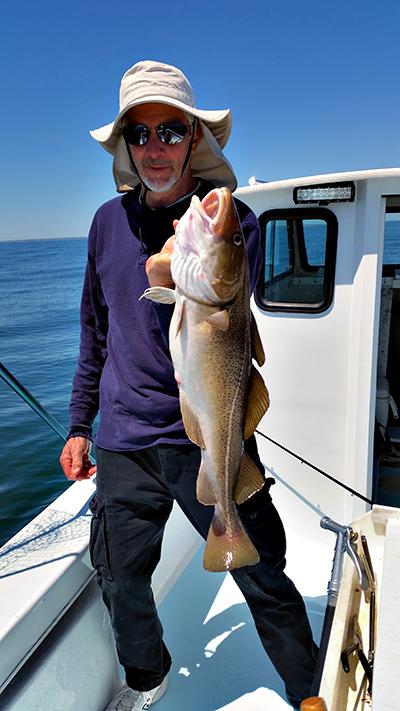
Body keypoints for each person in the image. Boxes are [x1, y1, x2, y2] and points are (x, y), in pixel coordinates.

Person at [60, 60, 318, 711]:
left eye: (171, 131)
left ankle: (309, 688)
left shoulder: (234, 223)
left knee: (261, 569)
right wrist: (80, 422)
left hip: (205, 432)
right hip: (121, 439)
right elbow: (95, 332)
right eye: (140, 134)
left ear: (194, 141)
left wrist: (189, 252)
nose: (155, 148)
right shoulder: (103, 224)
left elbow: (229, 285)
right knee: (119, 575)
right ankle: (147, 675)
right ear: (126, 146)